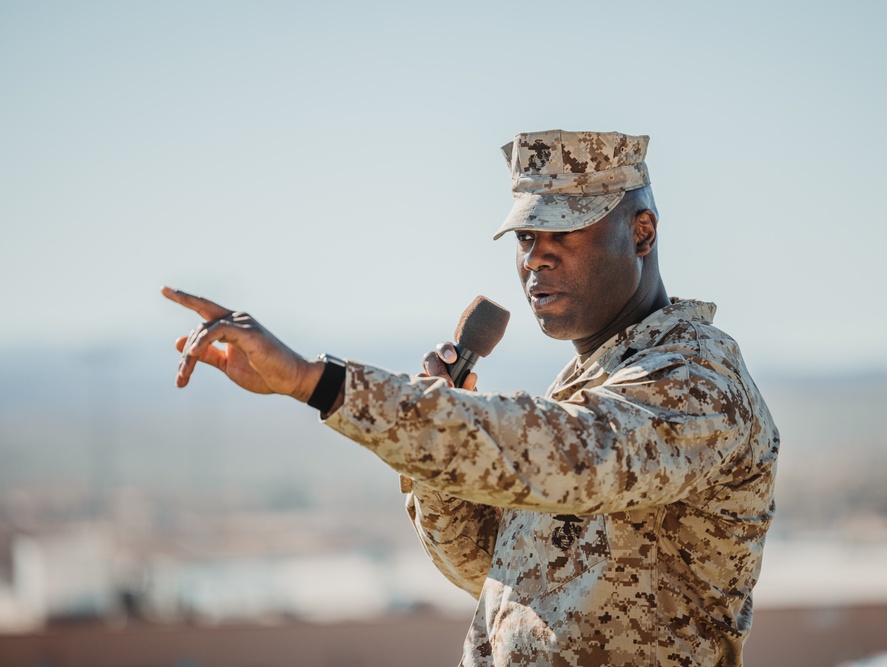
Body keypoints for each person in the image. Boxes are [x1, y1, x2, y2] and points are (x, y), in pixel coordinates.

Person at [164, 129, 779, 666]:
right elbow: (488, 571)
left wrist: (314, 381)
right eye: (526, 236)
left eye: (563, 229)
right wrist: (440, 424)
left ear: (641, 232)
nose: (538, 255)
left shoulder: (696, 378)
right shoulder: (587, 385)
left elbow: (573, 456)